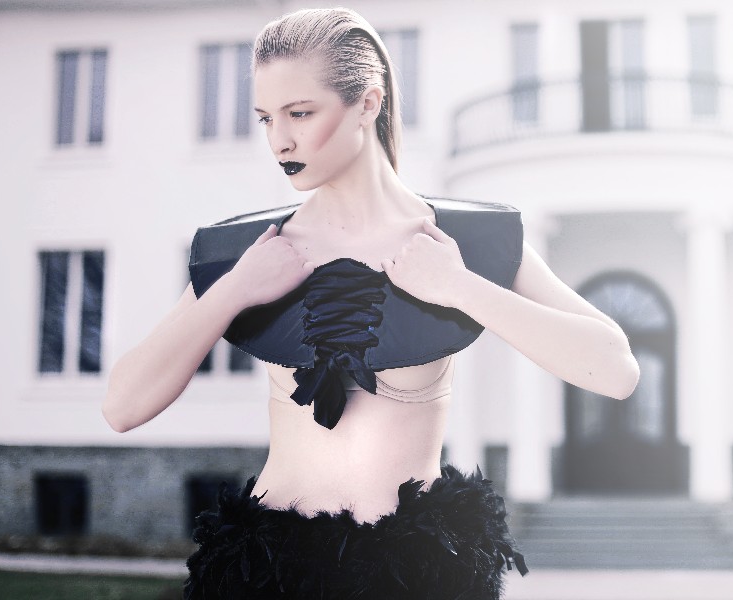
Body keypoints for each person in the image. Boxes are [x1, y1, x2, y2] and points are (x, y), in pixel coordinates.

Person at [103, 7, 639, 600]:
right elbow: (122, 407)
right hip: (266, 575)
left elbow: (615, 370)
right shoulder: (248, 250)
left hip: (419, 577)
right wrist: (235, 290)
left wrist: (460, 287)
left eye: (300, 113)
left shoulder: (467, 241)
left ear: (367, 103)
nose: (279, 140)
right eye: (266, 119)